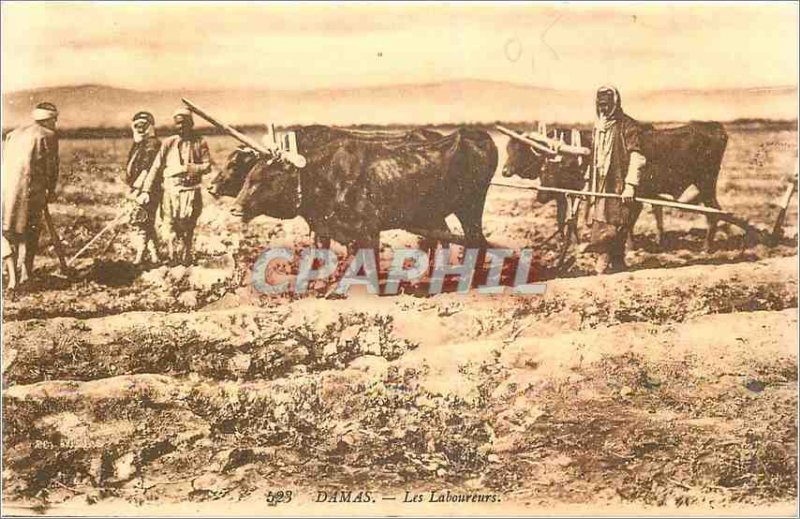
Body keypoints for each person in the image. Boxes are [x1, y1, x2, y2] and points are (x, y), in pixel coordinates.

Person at [584, 85, 647, 274]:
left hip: (619, 183)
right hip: (601, 183)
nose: (603, 109)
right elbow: (595, 156)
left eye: (606, 105)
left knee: (616, 223)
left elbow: (637, 156)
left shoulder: (627, 125)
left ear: (615, 104)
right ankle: (614, 263)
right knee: (601, 220)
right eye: (600, 105)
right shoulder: (598, 126)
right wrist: (589, 180)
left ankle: (606, 264)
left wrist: (630, 185)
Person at [139, 108, 211, 265]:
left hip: (190, 192)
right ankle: (172, 257)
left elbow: (207, 166)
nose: (180, 126)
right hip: (171, 192)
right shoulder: (168, 143)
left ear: (191, 124)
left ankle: (186, 255)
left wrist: (188, 168)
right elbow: (156, 167)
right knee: (170, 224)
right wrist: (145, 190)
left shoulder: (200, 142)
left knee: (188, 226)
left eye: (184, 123)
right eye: (177, 123)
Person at [2, 102, 60, 291]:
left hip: (6, 190)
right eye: (55, 120)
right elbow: (51, 167)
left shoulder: (15, 133)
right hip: (29, 190)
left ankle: (12, 277)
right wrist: (50, 191)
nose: (56, 123)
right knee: (30, 232)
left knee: (9, 231)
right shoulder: (48, 135)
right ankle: (26, 273)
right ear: (49, 119)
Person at [125, 111, 162, 265]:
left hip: (148, 189)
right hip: (138, 188)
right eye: (137, 126)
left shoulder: (152, 143)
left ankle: (140, 256)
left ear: (150, 127)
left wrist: (137, 189)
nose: (140, 129)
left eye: (143, 125)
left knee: (141, 222)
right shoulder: (139, 143)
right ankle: (154, 255)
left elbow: (147, 168)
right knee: (146, 222)